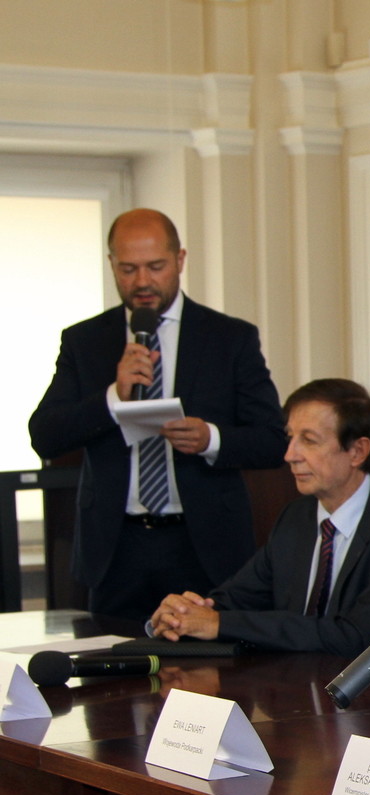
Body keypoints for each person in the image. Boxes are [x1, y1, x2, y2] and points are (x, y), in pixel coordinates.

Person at [29, 209, 286, 622]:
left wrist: (211, 439)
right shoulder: (85, 341)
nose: (142, 282)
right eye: (128, 269)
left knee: (205, 661)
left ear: (180, 260)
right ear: (111, 264)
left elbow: (273, 440)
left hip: (203, 546)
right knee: (112, 661)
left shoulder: (229, 338)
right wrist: (111, 397)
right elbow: (44, 435)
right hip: (116, 548)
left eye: (155, 267)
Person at [147, 379, 370, 658]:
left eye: (309, 440)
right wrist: (185, 612)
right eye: (290, 438)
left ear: (357, 451)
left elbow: (358, 639)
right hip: (293, 682)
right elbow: (237, 599)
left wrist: (218, 623)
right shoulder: (296, 516)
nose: (290, 455)